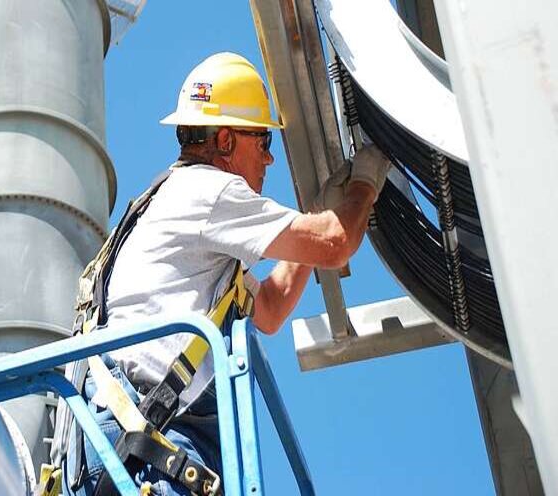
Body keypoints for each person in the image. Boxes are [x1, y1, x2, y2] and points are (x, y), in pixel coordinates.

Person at [62, 52, 390, 495]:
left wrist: (317, 213)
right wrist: (364, 186)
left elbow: (270, 309)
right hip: (147, 449)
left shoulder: (184, 224)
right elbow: (335, 242)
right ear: (224, 140)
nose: (269, 160)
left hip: (118, 449)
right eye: (262, 141)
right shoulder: (209, 190)